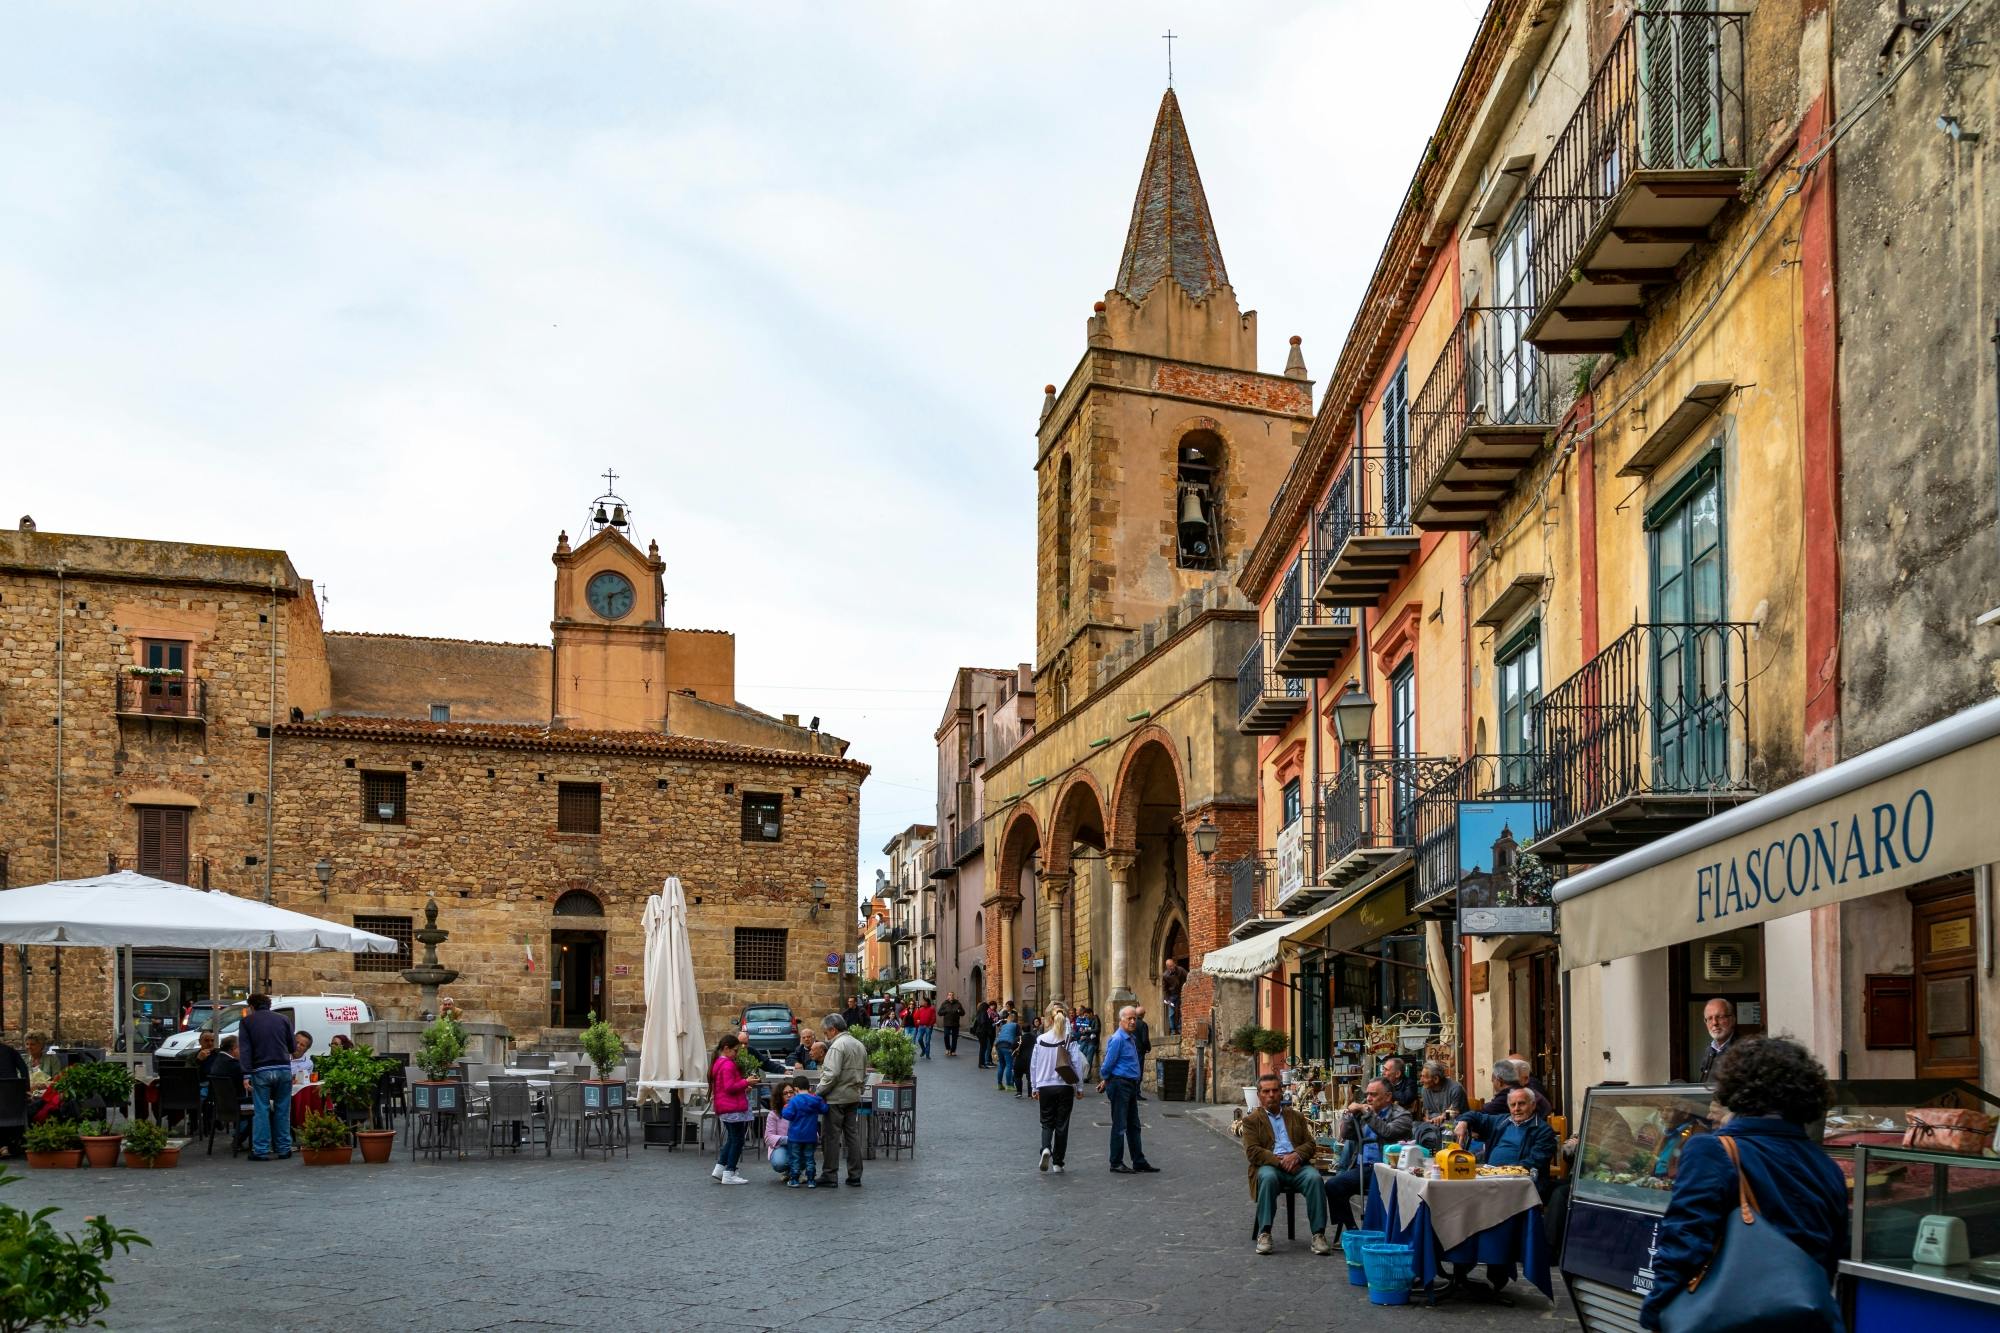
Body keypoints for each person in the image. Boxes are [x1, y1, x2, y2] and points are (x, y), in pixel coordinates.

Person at [1640, 1037, 1847, 1331]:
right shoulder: (1827, 1167)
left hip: (1729, 1318)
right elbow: (1830, 1258)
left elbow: (1684, 1242)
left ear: (1737, 1089)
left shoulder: (1711, 1151)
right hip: (1804, 1319)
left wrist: (1656, 1310)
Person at [1243, 1072, 1334, 1256]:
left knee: (1315, 1179)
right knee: (1267, 1178)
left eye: (1275, 1091)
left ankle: (1318, 1234)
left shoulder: (1296, 1116)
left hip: (1298, 1166)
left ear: (1281, 1092)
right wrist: (1281, 1161)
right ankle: (1265, 1233)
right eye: (1266, 1091)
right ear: (1260, 1095)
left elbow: (1310, 1144)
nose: (1271, 1095)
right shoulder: (1251, 1121)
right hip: (1270, 1166)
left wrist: (1297, 1156)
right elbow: (1253, 1151)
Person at [1324, 1077, 1414, 1227]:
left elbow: (1387, 1132)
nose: (1369, 1099)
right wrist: (1349, 1115)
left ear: (1388, 1097)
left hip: (1387, 1169)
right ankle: (1351, 1229)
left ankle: (1376, 1231)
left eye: (1374, 1094)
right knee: (1332, 1185)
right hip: (1363, 1168)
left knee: (1378, 1194)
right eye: (1367, 1095)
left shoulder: (1402, 1115)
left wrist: (1367, 1114)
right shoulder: (1365, 1113)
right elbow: (1347, 1135)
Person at [1097, 1005, 1158, 1174]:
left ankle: (1138, 1160)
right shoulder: (1117, 1039)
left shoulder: (1130, 1038)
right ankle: (1116, 1162)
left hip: (1129, 1085)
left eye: (1135, 1018)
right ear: (1121, 1020)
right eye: (1129, 1019)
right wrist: (1106, 1079)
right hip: (1120, 1085)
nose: (1133, 1021)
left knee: (1134, 1125)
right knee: (1120, 1124)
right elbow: (1107, 1065)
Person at [238, 993, 296, 1161]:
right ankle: (284, 1148)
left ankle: (261, 1150)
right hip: (283, 1068)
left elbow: (245, 1049)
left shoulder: (247, 1022)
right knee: (283, 1109)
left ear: (252, 1006)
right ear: (269, 1005)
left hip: (260, 1070)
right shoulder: (283, 1019)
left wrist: (246, 1074)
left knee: (261, 1110)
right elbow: (292, 1046)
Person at [813, 1015, 868, 1187]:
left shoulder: (837, 1046)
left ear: (833, 1029)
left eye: (826, 1032)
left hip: (836, 1098)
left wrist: (818, 1092)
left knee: (830, 1137)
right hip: (853, 1095)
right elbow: (864, 1073)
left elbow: (831, 1074)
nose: (825, 1036)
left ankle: (830, 1175)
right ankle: (855, 1175)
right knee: (852, 1136)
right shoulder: (859, 1045)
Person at [1028, 1006, 1079, 1173]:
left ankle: (1045, 1148)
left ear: (1048, 1020)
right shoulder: (1069, 1039)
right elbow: (1076, 1064)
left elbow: (1033, 1065)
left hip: (1045, 1086)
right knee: (1062, 1125)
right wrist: (1079, 1087)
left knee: (1046, 1121)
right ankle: (1058, 1163)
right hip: (1064, 1086)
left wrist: (1034, 1087)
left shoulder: (1040, 1039)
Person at [708, 1033, 755, 1186]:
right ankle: (730, 1171)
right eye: (735, 1050)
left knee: (732, 1139)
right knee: (738, 1140)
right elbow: (729, 1087)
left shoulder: (718, 1063)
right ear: (726, 1049)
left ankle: (720, 1168)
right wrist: (745, 1082)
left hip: (725, 1107)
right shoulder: (728, 1064)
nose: (737, 1054)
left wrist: (742, 1086)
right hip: (732, 1107)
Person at [782, 1080, 827, 1188]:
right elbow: (825, 1109)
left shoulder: (794, 1101)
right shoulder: (816, 1099)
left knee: (795, 1158)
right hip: (810, 1135)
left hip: (795, 1136)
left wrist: (785, 1108)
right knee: (810, 1158)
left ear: (796, 1089)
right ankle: (811, 1180)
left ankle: (794, 1179)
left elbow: (788, 1115)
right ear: (809, 1088)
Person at [1478, 1059, 1551, 1117]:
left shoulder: (1510, 1095)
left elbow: (1482, 1114)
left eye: (1493, 1081)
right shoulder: (1527, 1090)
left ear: (1500, 1081)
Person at [1697, 997, 1739, 1087]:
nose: (1714, 1023)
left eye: (1719, 1017)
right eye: (1709, 1018)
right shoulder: (1710, 1050)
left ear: (1732, 1020)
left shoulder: (1743, 1049)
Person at [765, 1080, 799, 1178]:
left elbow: (815, 1134)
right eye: (785, 1093)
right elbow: (768, 1138)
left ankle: (799, 1170)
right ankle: (790, 1170)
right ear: (779, 1097)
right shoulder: (773, 1114)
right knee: (779, 1163)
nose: (789, 1095)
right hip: (781, 1146)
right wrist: (788, 1139)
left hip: (800, 1145)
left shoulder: (802, 1111)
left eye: (791, 1092)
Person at [1418, 1059, 1468, 1124]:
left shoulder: (1455, 1089)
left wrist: (1441, 1117)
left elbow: (1454, 1114)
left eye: (1424, 1077)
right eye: (1421, 1076)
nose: (1421, 1080)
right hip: (1435, 1126)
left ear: (1436, 1079)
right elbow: (1427, 1113)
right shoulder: (1425, 1089)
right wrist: (1427, 1118)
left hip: (1456, 1127)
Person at [995, 1009, 1021, 1092]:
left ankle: (999, 1084)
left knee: (1001, 1065)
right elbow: (1019, 1037)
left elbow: (1000, 1034)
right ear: (1015, 1019)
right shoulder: (1016, 1025)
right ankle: (1009, 1085)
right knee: (1009, 1065)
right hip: (1007, 1045)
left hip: (999, 1045)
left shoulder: (1004, 1026)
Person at [1161, 957, 1187, 1036]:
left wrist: (1186, 987)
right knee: (1171, 1014)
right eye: (1170, 966)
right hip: (1172, 996)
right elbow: (1164, 988)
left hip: (1181, 993)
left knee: (1180, 1011)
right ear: (1167, 967)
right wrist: (1167, 999)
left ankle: (1180, 1028)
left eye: (1173, 965)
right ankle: (1172, 1030)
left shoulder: (1180, 970)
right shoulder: (1165, 975)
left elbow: (1188, 977)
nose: (1173, 967)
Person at [1132, 1006, 1153, 1101]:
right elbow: (1145, 1039)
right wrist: (1148, 1048)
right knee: (1138, 1071)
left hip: (1131, 1050)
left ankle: (1132, 1092)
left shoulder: (1132, 1024)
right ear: (1143, 1014)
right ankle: (1136, 1093)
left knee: (1132, 1070)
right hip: (1140, 1051)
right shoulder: (1143, 1024)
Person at [937, 992, 964, 1057]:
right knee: (946, 1036)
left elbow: (963, 1013)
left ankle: (953, 1051)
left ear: (954, 996)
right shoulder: (944, 1003)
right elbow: (939, 1013)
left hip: (955, 1023)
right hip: (947, 1023)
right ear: (947, 996)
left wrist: (959, 1011)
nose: (951, 996)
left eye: (952, 995)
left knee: (954, 1038)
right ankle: (948, 1048)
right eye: (949, 995)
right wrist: (945, 1011)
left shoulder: (958, 1003)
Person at [971, 1002, 997, 1068]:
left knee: (983, 1048)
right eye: (987, 1007)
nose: (988, 1008)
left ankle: (982, 1063)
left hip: (980, 1032)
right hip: (982, 1033)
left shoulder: (979, 1013)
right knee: (983, 1048)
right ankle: (981, 1064)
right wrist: (990, 1024)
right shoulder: (984, 1013)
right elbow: (983, 1022)